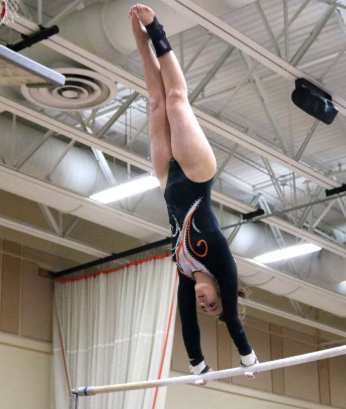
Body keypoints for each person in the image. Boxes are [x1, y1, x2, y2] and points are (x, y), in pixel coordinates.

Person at [128, 4, 258, 381]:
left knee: (155, 102)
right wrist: (246, 356)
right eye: (212, 302)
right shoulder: (220, 262)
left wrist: (197, 364)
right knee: (175, 100)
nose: (204, 303)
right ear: (221, 290)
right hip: (197, 174)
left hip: (168, 180)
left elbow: (186, 323)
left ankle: (141, 40)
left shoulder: (186, 273)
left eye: (206, 307)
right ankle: (158, 31)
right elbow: (232, 316)